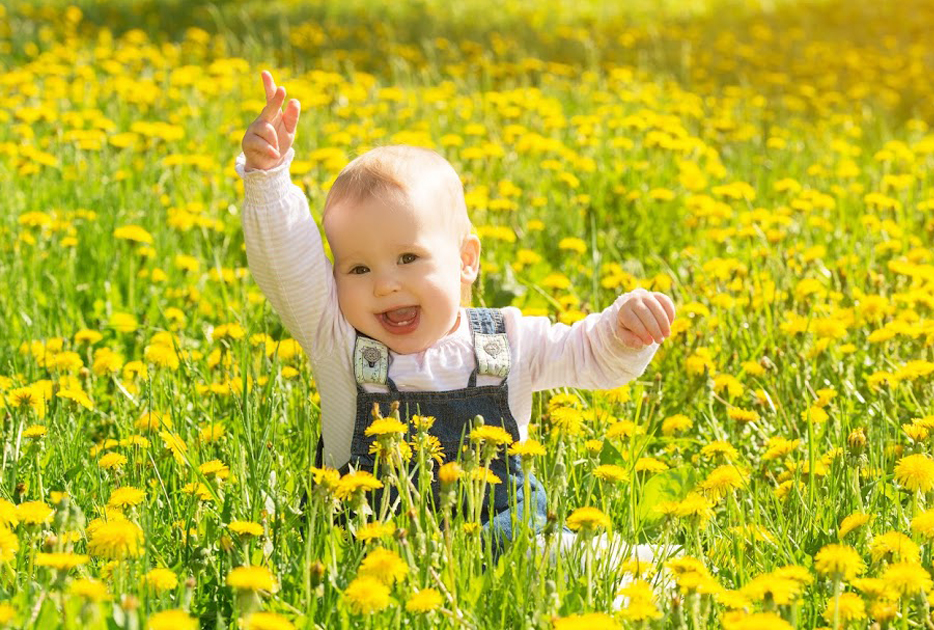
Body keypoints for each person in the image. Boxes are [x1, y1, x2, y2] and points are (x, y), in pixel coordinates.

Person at [234, 71, 676, 559]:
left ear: (466, 260)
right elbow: (288, 265)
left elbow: (588, 356)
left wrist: (622, 331)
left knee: (582, 559)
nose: (385, 285)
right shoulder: (337, 341)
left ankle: (650, 569)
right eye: (358, 268)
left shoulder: (508, 341)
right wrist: (268, 180)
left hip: (510, 550)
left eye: (408, 258)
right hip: (373, 554)